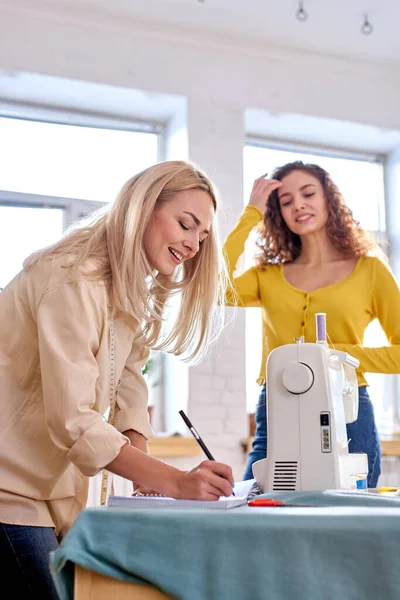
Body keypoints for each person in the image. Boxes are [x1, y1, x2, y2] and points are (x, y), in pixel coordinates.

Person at [0, 160, 234, 599]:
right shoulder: (72, 278)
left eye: (201, 236)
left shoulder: (124, 288)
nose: (192, 244)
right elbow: (73, 422)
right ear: (142, 208)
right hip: (8, 488)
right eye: (186, 224)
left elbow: (129, 386)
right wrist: (176, 482)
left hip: (43, 489)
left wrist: (146, 476)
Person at [223, 160, 400, 485]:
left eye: (308, 193)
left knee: (348, 516)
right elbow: (216, 287)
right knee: (253, 502)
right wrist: (251, 214)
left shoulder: (370, 272)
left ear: (329, 199)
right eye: (286, 201)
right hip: (277, 408)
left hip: (348, 410)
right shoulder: (268, 276)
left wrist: (336, 355)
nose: (298, 205)